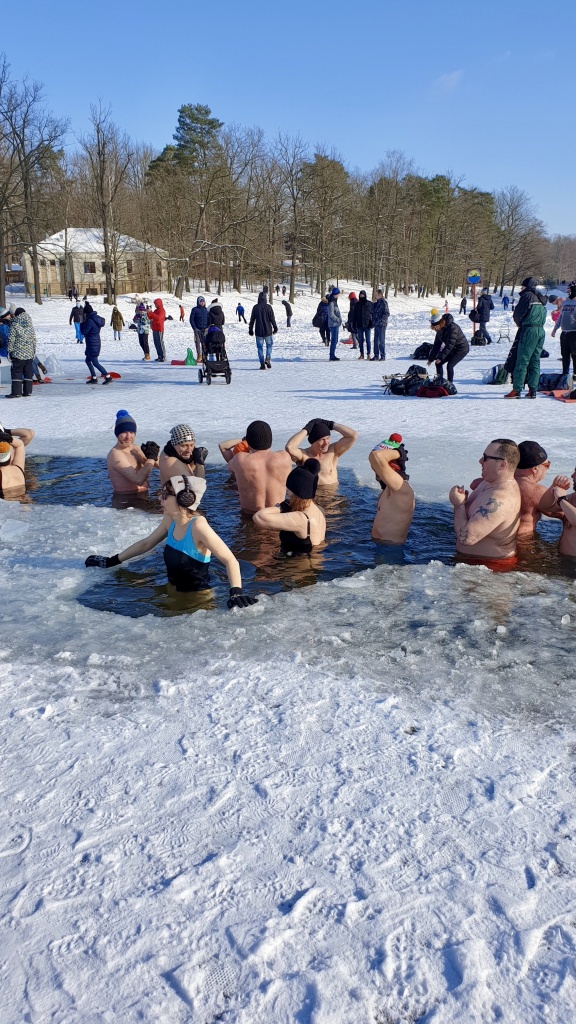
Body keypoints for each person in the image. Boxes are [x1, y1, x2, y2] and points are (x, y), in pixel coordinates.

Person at [85, 474, 258, 608]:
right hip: (170, 592)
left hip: (196, 601)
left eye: (165, 495)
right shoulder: (170, 520)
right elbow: (146, 543)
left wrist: (236, 592)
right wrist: (111, 561)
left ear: (184, 499)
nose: (159, 499)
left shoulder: (198, 526)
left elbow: (230, 560)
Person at [449, 438, 521, 566]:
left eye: (486, 458)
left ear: (502, 464)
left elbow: (466, 538)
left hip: (490, 568)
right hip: (470, 562)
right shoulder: (488, 483)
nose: (480, 461)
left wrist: (459, 505)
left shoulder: (501, 499)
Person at [253, 458, 325, 555]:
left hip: (296, 568)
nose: (287, 493)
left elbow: (258, 517)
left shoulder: (300, 519)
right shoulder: (320, 510)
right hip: (313, 564)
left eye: (289, 489)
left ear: (297, 493)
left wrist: (282, 507)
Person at [219, 420, 292, 513]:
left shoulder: (240, 459)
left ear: (249, 441)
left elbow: (225, 450)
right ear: (270, 439)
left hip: (249, 516)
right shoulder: (284, 458)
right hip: (276, 514)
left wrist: (243, 440)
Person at [505, 278, 547, 399]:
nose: (521, 289)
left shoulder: (527, 296)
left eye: (522, 286)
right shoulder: (540, 297)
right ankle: (533, 390)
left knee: (522, 360)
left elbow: (518, 313)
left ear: (527, 286)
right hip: (540, 330)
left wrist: (519, 323)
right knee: (535, 360)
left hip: (529, 330)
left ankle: (517, 389)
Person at [369, 434, 415, 544]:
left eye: (377, 467)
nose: (375, 470)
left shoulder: (402, 489)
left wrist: (398, 452)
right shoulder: (389, 490)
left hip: (391, 552)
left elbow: (375, 456)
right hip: (378, 545)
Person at [285, 418, 358, 487]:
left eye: (328, 438)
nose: (326, 443)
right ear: (313, 441)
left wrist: (330, 424)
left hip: (332, 495)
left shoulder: (333, 451)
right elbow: (290, 447)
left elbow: (352, 436)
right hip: (311, 496)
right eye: (322, 439)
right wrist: (307, 429)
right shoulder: (304, 455)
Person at [513, 440, 561, 538]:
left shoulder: (497, 482)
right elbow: (566, 515)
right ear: (535, 468)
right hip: (523, 544)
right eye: (547, 465)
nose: (547, 469)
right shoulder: (536, 491)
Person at [106, 410, 159, 494]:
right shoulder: (116, 454)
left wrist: (154, 454)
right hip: (127, 500)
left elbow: (159, 465)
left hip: (145, 494)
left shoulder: (135, 447)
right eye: (124, 432)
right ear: (117, 434)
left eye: (131, 432)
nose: (128, 436)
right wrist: (151, 458)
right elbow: (138, 480)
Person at [538, 465, 576, 557]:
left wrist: (561, 499)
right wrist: (554, 486)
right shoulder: (574, 497)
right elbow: (545, 507)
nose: (572, 476)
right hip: (564, 561)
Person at [427, 309, 469, 383]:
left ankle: (450, 384)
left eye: (436, 327)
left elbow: (450, 345)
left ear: (440, 323)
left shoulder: (453, 328)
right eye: (434, 328)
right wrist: (431, 358)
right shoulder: (439, 330)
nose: (435, 329)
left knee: (450, 366)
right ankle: (440, 382)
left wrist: (440, 357)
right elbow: (436, 345)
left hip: (461, 349)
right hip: (452, 348)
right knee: (438, 363)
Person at [6, 308, 37, 399]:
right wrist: (34, 351)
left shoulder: (15, 325)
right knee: (28, 373)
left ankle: (16, 392)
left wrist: (9, 351)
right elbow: (34, 340)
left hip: (18, 354)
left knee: (16, 372)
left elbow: (11, 340)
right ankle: (28, 391)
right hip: (29, 354)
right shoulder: (30, 325)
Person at [81, 302, 112, 385]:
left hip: (92, 343)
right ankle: (94, 377)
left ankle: (108, 376)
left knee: (95, 362)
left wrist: (81, 323)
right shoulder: (95, 319)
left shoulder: (90, 321)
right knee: (88, 360)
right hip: (94, 342)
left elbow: (84, 332)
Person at [0, 425, 34, 499]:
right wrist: (9, 439)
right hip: (23, 498)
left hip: (7, 502)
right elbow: (20, 445)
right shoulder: (18, 468)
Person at [551, 283, 576, 377]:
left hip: (574, 333)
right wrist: (555, 329)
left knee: (575, 354)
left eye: (570, 291)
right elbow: (561, 317)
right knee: (565, 355)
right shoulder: (565, 302)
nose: (568, 292)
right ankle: (565, 374)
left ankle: (575, 374)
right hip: (564, 333)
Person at [249, 291, 277, 369]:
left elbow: (252, 320)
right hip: (268, 330)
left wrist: (250, 329)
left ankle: (262, 363)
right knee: (269, 345)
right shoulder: (269, 307)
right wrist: (275, 327)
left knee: (260, 348)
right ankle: (268, 358)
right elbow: (272, 319)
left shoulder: (255, 307)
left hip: (258, 331)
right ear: (265, 298)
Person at [352, 289, 373, 360]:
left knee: (368, 340)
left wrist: (372, 323)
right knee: (360, 340)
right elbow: (354, 315)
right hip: (359, 324)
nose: (362, 296)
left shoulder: (369, 304)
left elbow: (372, 314)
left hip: (367, 325)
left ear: (365, 295)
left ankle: (368, 353)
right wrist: (354, 324)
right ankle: (361, 354)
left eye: (363, 295)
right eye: (361, 295)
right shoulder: (357, 305)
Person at [371, 289, 389, 361]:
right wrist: (373, 303)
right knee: (375, 340)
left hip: (381, 324)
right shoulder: (377, 303)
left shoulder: (384, 303)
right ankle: (376, 355)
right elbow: (372, 311)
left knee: (381, 340)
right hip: (376, 324)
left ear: (380, 295)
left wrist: (381, 320)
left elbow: (386, 313)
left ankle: (382, 355)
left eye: (376, 295)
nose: (375, 296)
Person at [327, 287, 342, 361]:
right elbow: (331, 314)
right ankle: (331, 355)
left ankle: (332, 354)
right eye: (338, 293)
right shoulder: (331, 302)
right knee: (334, 340)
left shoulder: (334, 301)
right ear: (336, 294)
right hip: (333, 324)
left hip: (335, 324)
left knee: (335, 340)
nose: (339, 295)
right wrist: (338, 319)